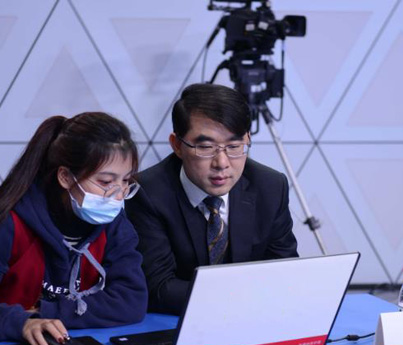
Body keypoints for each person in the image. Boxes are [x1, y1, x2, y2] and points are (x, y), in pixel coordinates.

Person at [0, 112, 148, 345]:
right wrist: (22, 322)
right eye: (105, 182)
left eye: (126, 181)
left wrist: (47, 312)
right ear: (65, 177)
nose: (118, 195)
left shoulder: (113, 223)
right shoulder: (1, 227)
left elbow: (132, 301)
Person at [126, 83, 298, 315]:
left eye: (234, 146)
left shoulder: (270, 186)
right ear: (177, 145)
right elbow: (158, 287)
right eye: (206, 147)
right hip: (178, 322)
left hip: (255, 319)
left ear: (247, 139)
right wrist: (240, 298)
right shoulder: (147, 192)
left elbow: (284, 271)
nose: (222, 163)